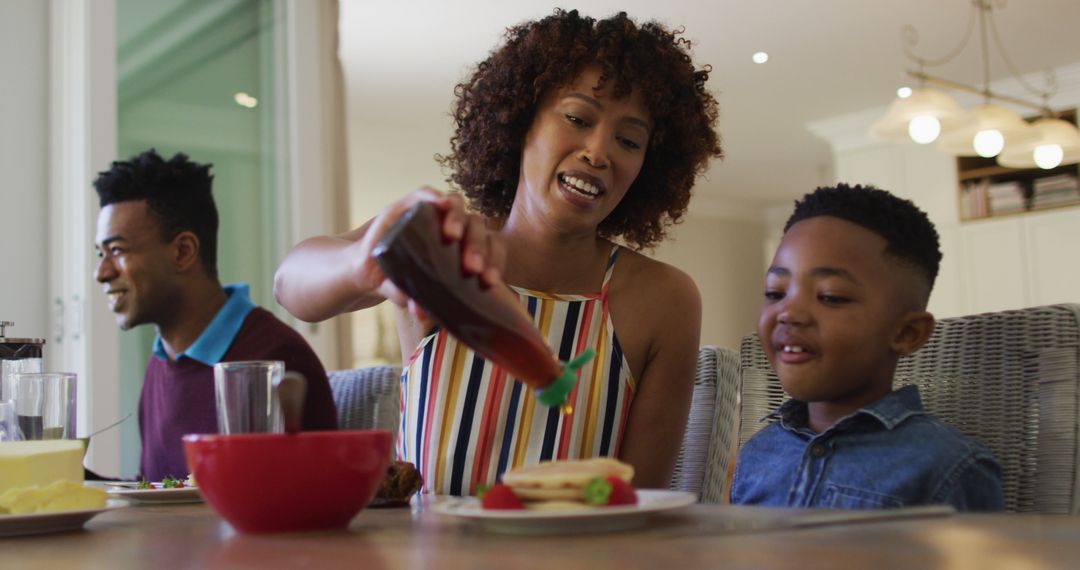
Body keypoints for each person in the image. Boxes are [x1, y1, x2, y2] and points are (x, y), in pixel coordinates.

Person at [274, 9, 722, 495]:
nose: (598, 152)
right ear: (521, 120)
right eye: (576, 118)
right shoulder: (443, 245)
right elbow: (291, 285)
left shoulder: (663, 300)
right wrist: (365, 264)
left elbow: (640, 500)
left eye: (629, 140)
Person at [730, 184, 1004, 510]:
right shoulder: (759, 451)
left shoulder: (949, 466)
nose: (789, 313)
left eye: (831, 296)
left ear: (907, 332)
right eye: (776, 292)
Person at [93, 149, 337, 481]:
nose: (102, 272)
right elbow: (157, 495)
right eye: (101, 253)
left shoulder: (274, 359)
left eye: (117, 251)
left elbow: (293, 506)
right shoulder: (161, 363)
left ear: (183, 251)